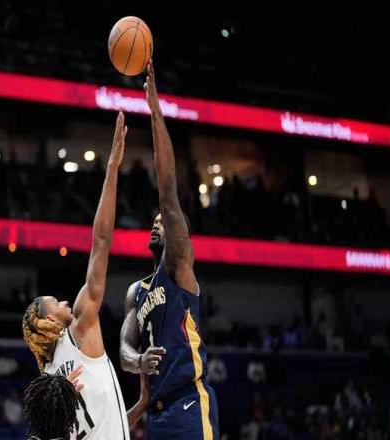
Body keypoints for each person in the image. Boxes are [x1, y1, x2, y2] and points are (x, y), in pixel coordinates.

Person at [119, 61, 219, 439]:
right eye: (155, 220)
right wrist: (138, 361)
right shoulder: (136, 292)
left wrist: (155, 111)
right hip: (156, 416)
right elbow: (124, 350)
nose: (156, 222)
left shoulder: (178, 267)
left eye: (164, 221)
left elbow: (167, 190)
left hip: (189, 401)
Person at [22, 112, 133, 439]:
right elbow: (101, 240)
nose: (65, 302)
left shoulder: (49, 381)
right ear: (48, 321)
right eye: (55, 302)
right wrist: (112, 168)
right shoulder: (81, 326)